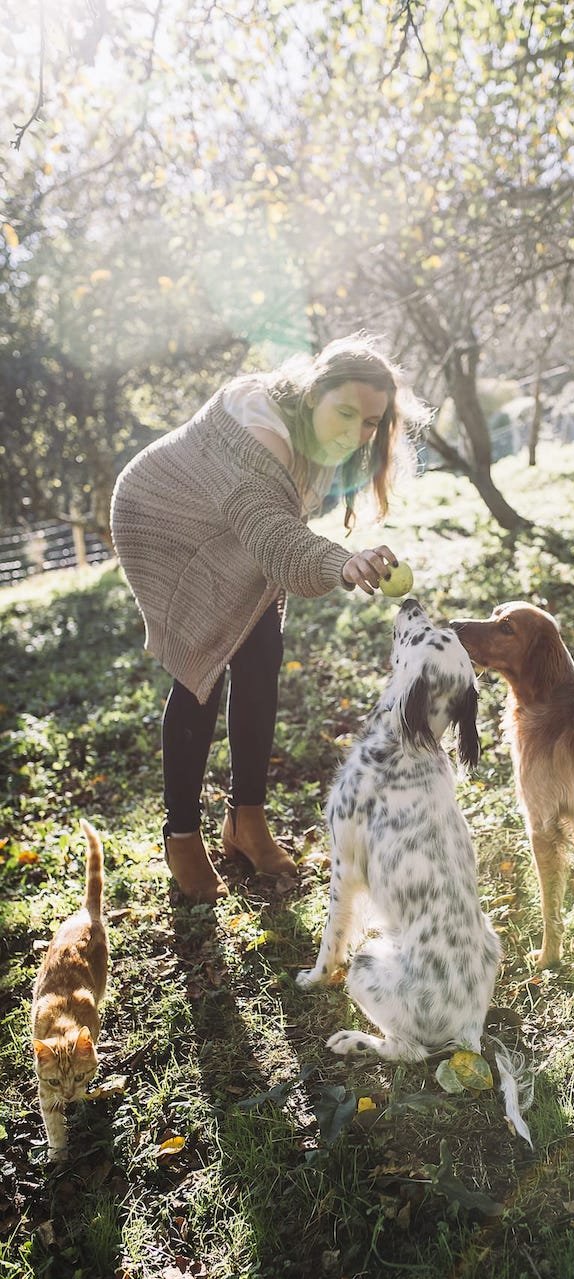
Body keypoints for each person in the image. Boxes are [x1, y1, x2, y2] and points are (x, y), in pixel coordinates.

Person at [110, 333, 428, 902]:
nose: (357, 432)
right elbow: (279, 542)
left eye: (371, 422)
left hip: (229, 523)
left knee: (260, 657)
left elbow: (275, 524)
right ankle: (181, 834)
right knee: (204, 659)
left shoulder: (318, 437)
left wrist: (342, 556)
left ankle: (245, 820)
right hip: (159, 515)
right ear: (313, 397)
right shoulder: (261, 434)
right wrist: (343, 561)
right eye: (347, 412)